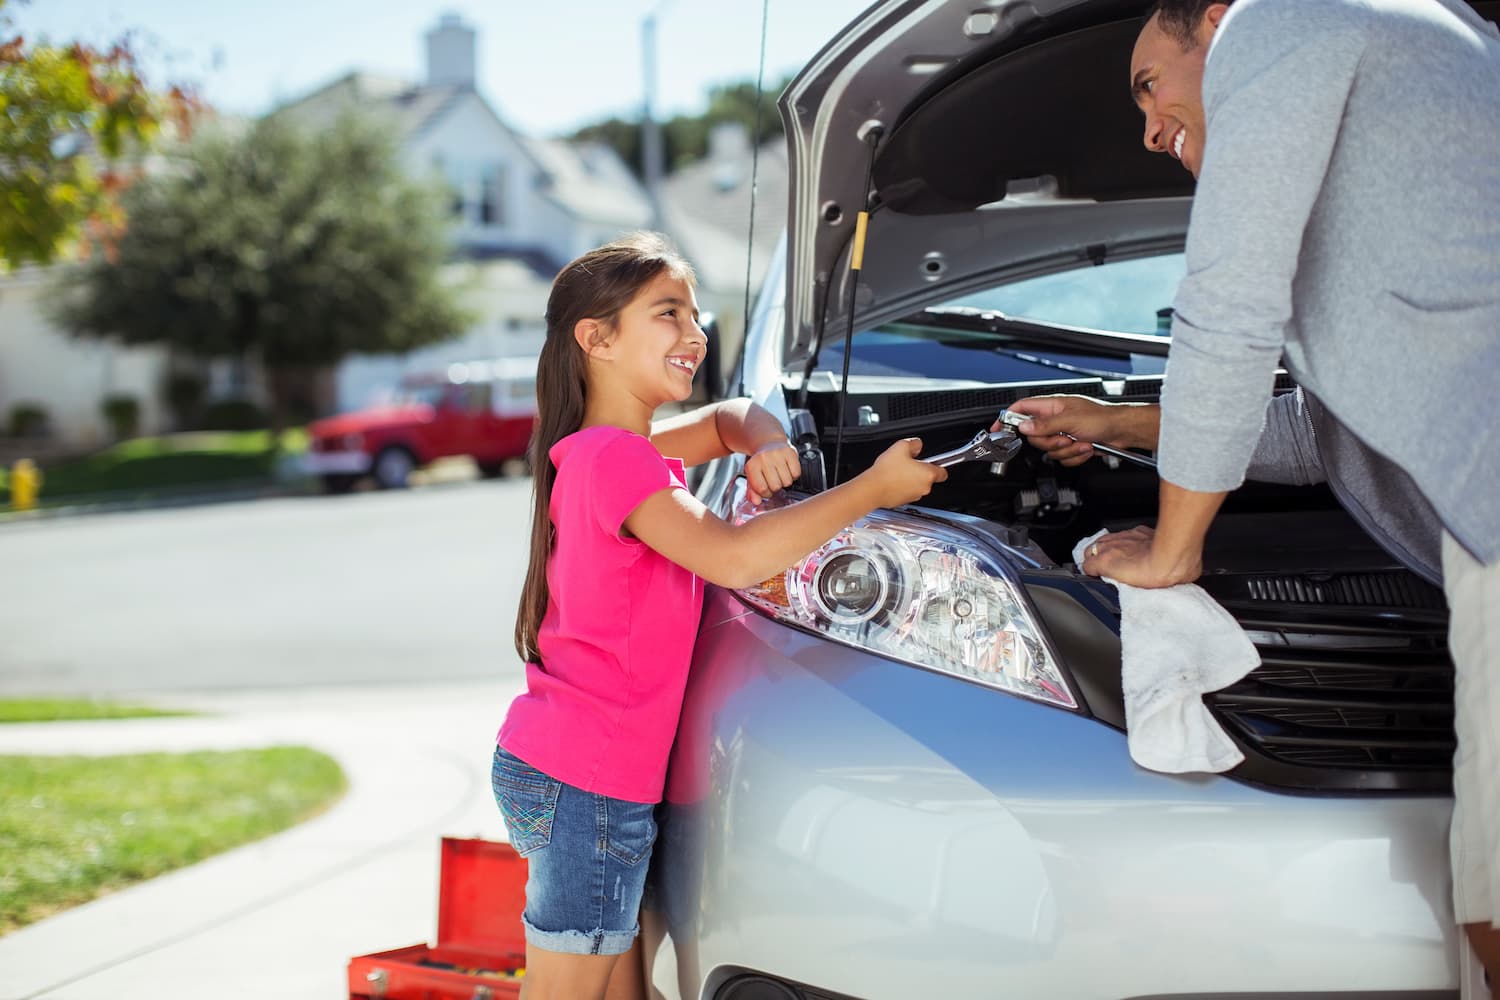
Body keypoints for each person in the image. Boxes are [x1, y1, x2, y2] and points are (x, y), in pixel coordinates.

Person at [999, 0, 1500, 986]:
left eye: (1150, 83)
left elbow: (1227, 302)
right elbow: (1335, 428)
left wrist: (1174, 545)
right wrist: (1119, 424)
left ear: (1216, 19)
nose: (1147, 130)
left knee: (1493, 901)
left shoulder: (1279, 20)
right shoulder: (1436, 50)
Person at [492, 232, 946, 1000]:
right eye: (667, 313)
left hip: (572, 767)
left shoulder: (600, 446)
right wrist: (872, 489)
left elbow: (732, 414)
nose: (695, 333)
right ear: (596, 339)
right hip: (591, 783)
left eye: (696, 315)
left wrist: (763, 440)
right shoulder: (620, 461)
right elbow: (736, 558)